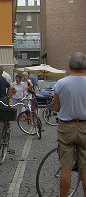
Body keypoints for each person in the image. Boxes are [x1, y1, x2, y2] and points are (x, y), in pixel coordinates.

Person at [52, 52, 86, 197]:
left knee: (65, 167)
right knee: (85, 168)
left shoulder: (61, 83)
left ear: (68, 66)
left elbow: (56, 108)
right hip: (85, 126)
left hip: (66, 127)